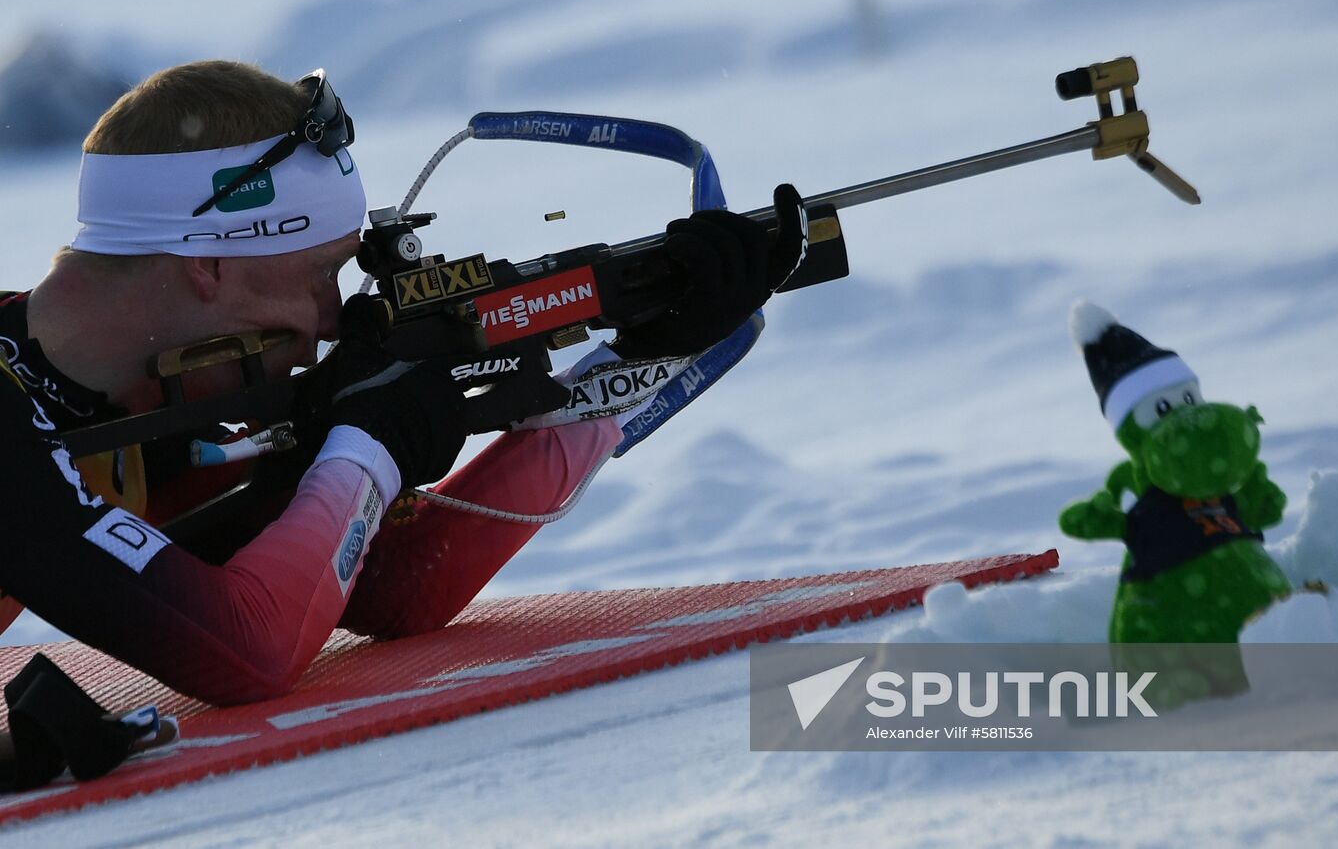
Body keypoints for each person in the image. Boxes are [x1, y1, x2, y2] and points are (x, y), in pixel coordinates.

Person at [0, 61, 802, 707]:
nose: (329, 319)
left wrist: (627, 370)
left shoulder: (125, 405)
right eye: (319, 274)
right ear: (208, 264)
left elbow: (393, 585)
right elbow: (250, 647)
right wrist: (367, 446)